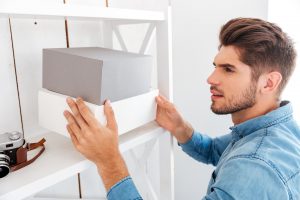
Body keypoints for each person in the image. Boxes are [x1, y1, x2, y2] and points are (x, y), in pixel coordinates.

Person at [63, 17, 300, 200]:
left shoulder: (256, 166)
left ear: (269, 82)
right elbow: (215, 152)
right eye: (215, 66)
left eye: (228, 69)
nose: (210, 78)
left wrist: (109, 162)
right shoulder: (274, 130)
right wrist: (180, 127)